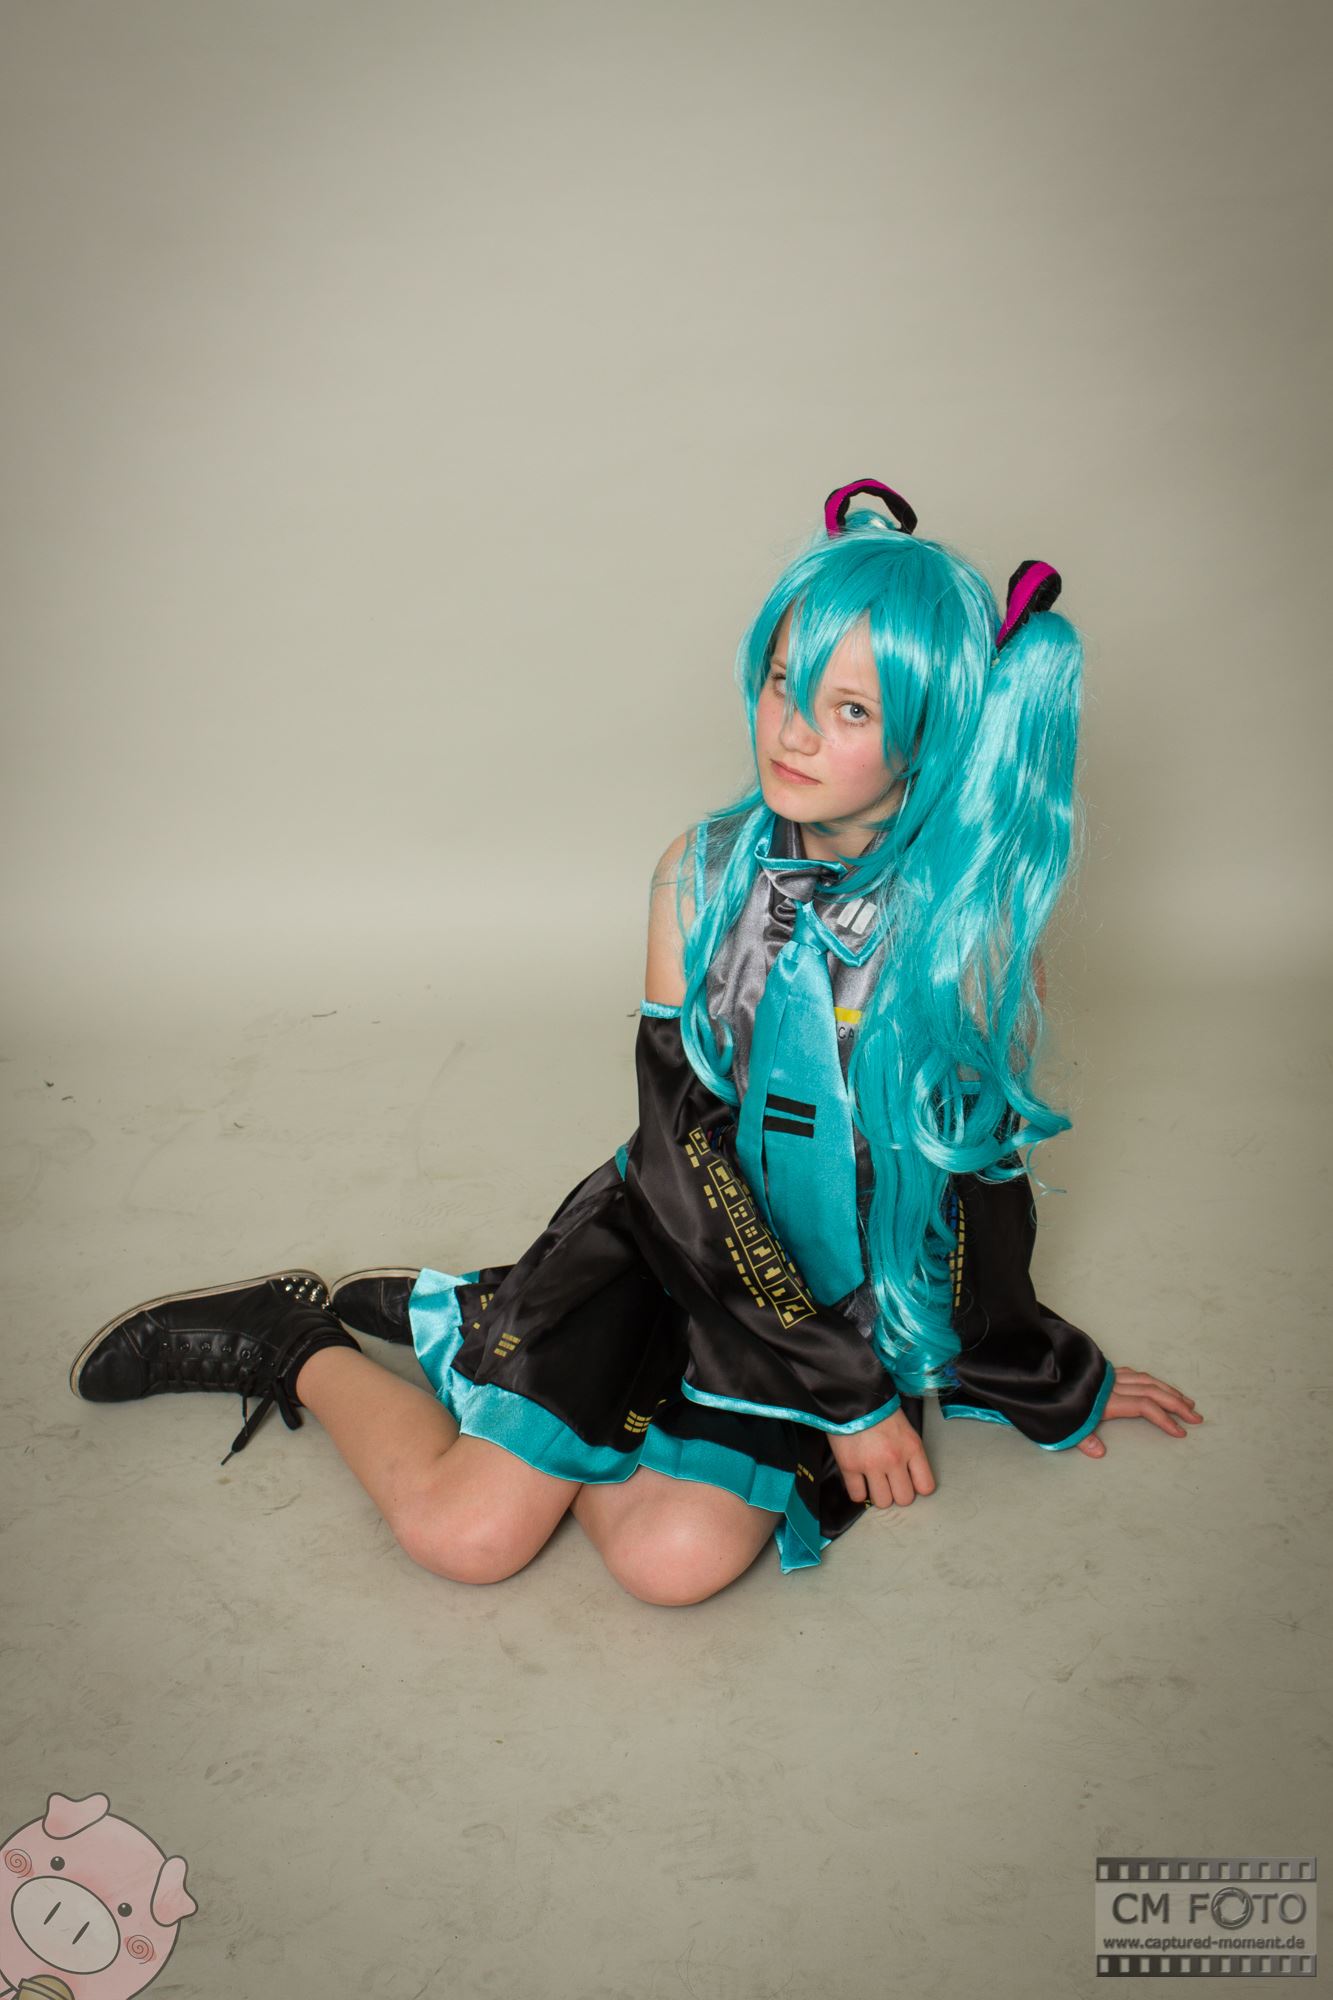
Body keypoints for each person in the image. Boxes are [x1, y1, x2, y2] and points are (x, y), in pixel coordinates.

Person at [69, 477, 1202, 1605]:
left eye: (851, 710)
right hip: (676, 1232)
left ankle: (487, 1340)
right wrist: (848, 1398)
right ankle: (294, 1337)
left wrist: (1027, 1366)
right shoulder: (696, 878)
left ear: (932, 735)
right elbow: (680, 1150)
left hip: (825, 1296)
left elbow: (978, 1186)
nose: (793, 729)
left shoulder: (971, 941)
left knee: (671, 1567)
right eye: (782, 681)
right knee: (467, 1538)